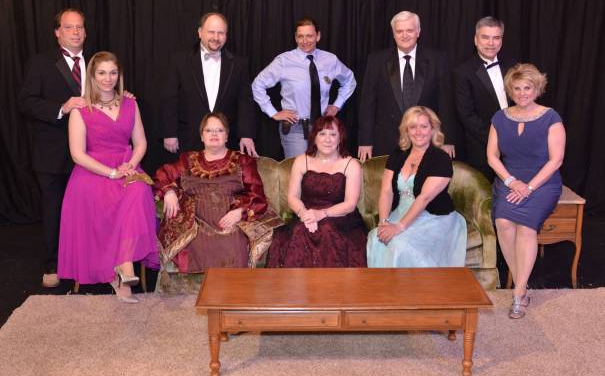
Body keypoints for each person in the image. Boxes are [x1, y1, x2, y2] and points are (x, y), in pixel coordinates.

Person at [57, 51, 159, 303]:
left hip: (126, 165)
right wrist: (112, 173)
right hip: (93, 171)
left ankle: (123, 267)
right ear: (92, 75)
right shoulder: (81, 108)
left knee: (138, 191)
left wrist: (130, 166)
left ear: (119, 75)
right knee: (101, 199)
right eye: (101, 72)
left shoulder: (130, 103)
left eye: (113, 72)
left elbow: (141, 142)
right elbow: (77, 154)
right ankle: (123, 271)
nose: (108, 78)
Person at [154, 112, 280, 291]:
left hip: (230, 219)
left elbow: (257, 193)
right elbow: (163, 174)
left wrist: (240, 212)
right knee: (196, 241)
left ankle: (234, 293)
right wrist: (168, 193)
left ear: (227, 135)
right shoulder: (187, 159)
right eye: (209, 130)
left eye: (219, 130)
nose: (214, 134)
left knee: (233, 237)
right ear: (201, 135)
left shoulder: (243, 160)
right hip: (196, 221)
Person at [487, 63, 565, 319]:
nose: (522, 93)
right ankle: (522, 281)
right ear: (510, 90)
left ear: (537, 88)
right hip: (510, 181)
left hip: (542, 183)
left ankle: (519, 292)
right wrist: (511, 182)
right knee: (503, 222)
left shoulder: (551, 117)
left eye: (527, 88)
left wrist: (529, 187)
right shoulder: (500, 117)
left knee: (526, 228)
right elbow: (491, 156)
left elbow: (556, 160)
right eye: (517, 88)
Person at [19, 8, 89, 288]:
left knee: (88, 209)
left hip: (91, 152)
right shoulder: (40, 63)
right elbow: (26, 102)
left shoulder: (96, 62)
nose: (75, 32)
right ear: (57, 32)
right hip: (52, 154)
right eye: (69, 27)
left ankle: (87, 260)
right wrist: (62, 107)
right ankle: (52, 264)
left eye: (80, 27)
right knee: (53, 209)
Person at [366, 106, 467, 268]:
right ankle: (385, 291)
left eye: (424, 126)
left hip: (434, 217)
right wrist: (383, 223)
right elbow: (386, 191)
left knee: (400, 244)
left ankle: (410, 292)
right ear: (406, 130)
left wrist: (399, 227)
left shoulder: (441, 159)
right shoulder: (398, 154)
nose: (418, 132)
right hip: (401, 211)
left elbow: (424, 198)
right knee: (375, 239)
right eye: (413, 127)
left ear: (433, 129)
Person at [266, 116, 368, 267]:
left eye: (333, 134)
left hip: (340, 218)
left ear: (340, 138)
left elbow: (350, 205)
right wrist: (304, 214)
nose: (328, 139)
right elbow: (293, 197)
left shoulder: (351, 164)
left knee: (326, 230)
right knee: (300, 230)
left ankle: (328, 287)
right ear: (314, 137)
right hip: (306, 215)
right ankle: (299, 288)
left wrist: (322, 214)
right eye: (322, 134)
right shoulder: (301, 160)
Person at [357, 11, 456, 162]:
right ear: (393, 33)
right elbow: (367, 104)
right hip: (386, 141)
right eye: (399, 31)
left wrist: (447, 139)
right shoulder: (376, 61)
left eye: (409, 30)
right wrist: (365, 141)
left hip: (427, 140)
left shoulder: (438, 59)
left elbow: (446, 103)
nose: (404, 35)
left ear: (418, 32)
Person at [252, 17, 356, 158]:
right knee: (300, 173)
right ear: (295, 38)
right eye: (300, 36)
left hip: (323, 127)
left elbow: (349, 80)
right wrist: (273, 113)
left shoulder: (330, 60)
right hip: (296, 128)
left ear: (318, 36)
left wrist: (336, 106)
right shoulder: (284, 61)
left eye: (309, 36)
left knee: (322, 173)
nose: (305, 41)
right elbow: (258, 85)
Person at [160, 12, 257, 156]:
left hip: (225, 141)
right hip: (187, 139)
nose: (216, 38)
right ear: (200, 32)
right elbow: (169, 99)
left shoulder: (239, 64)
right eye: (211, 32)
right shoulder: (179, 61)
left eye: (221, 33)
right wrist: (169, 133)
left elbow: (245, 101)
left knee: (223, 179)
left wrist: (246, 134)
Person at [454, 16, 516, 181]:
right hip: (482, 148)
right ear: (476, 40)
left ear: (501, 40)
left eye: (496, 38)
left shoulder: (514, 66)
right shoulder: (463, 72)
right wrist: (497, 140)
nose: (491, 43)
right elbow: (467, 115)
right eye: (485, 37)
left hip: (516, 148)